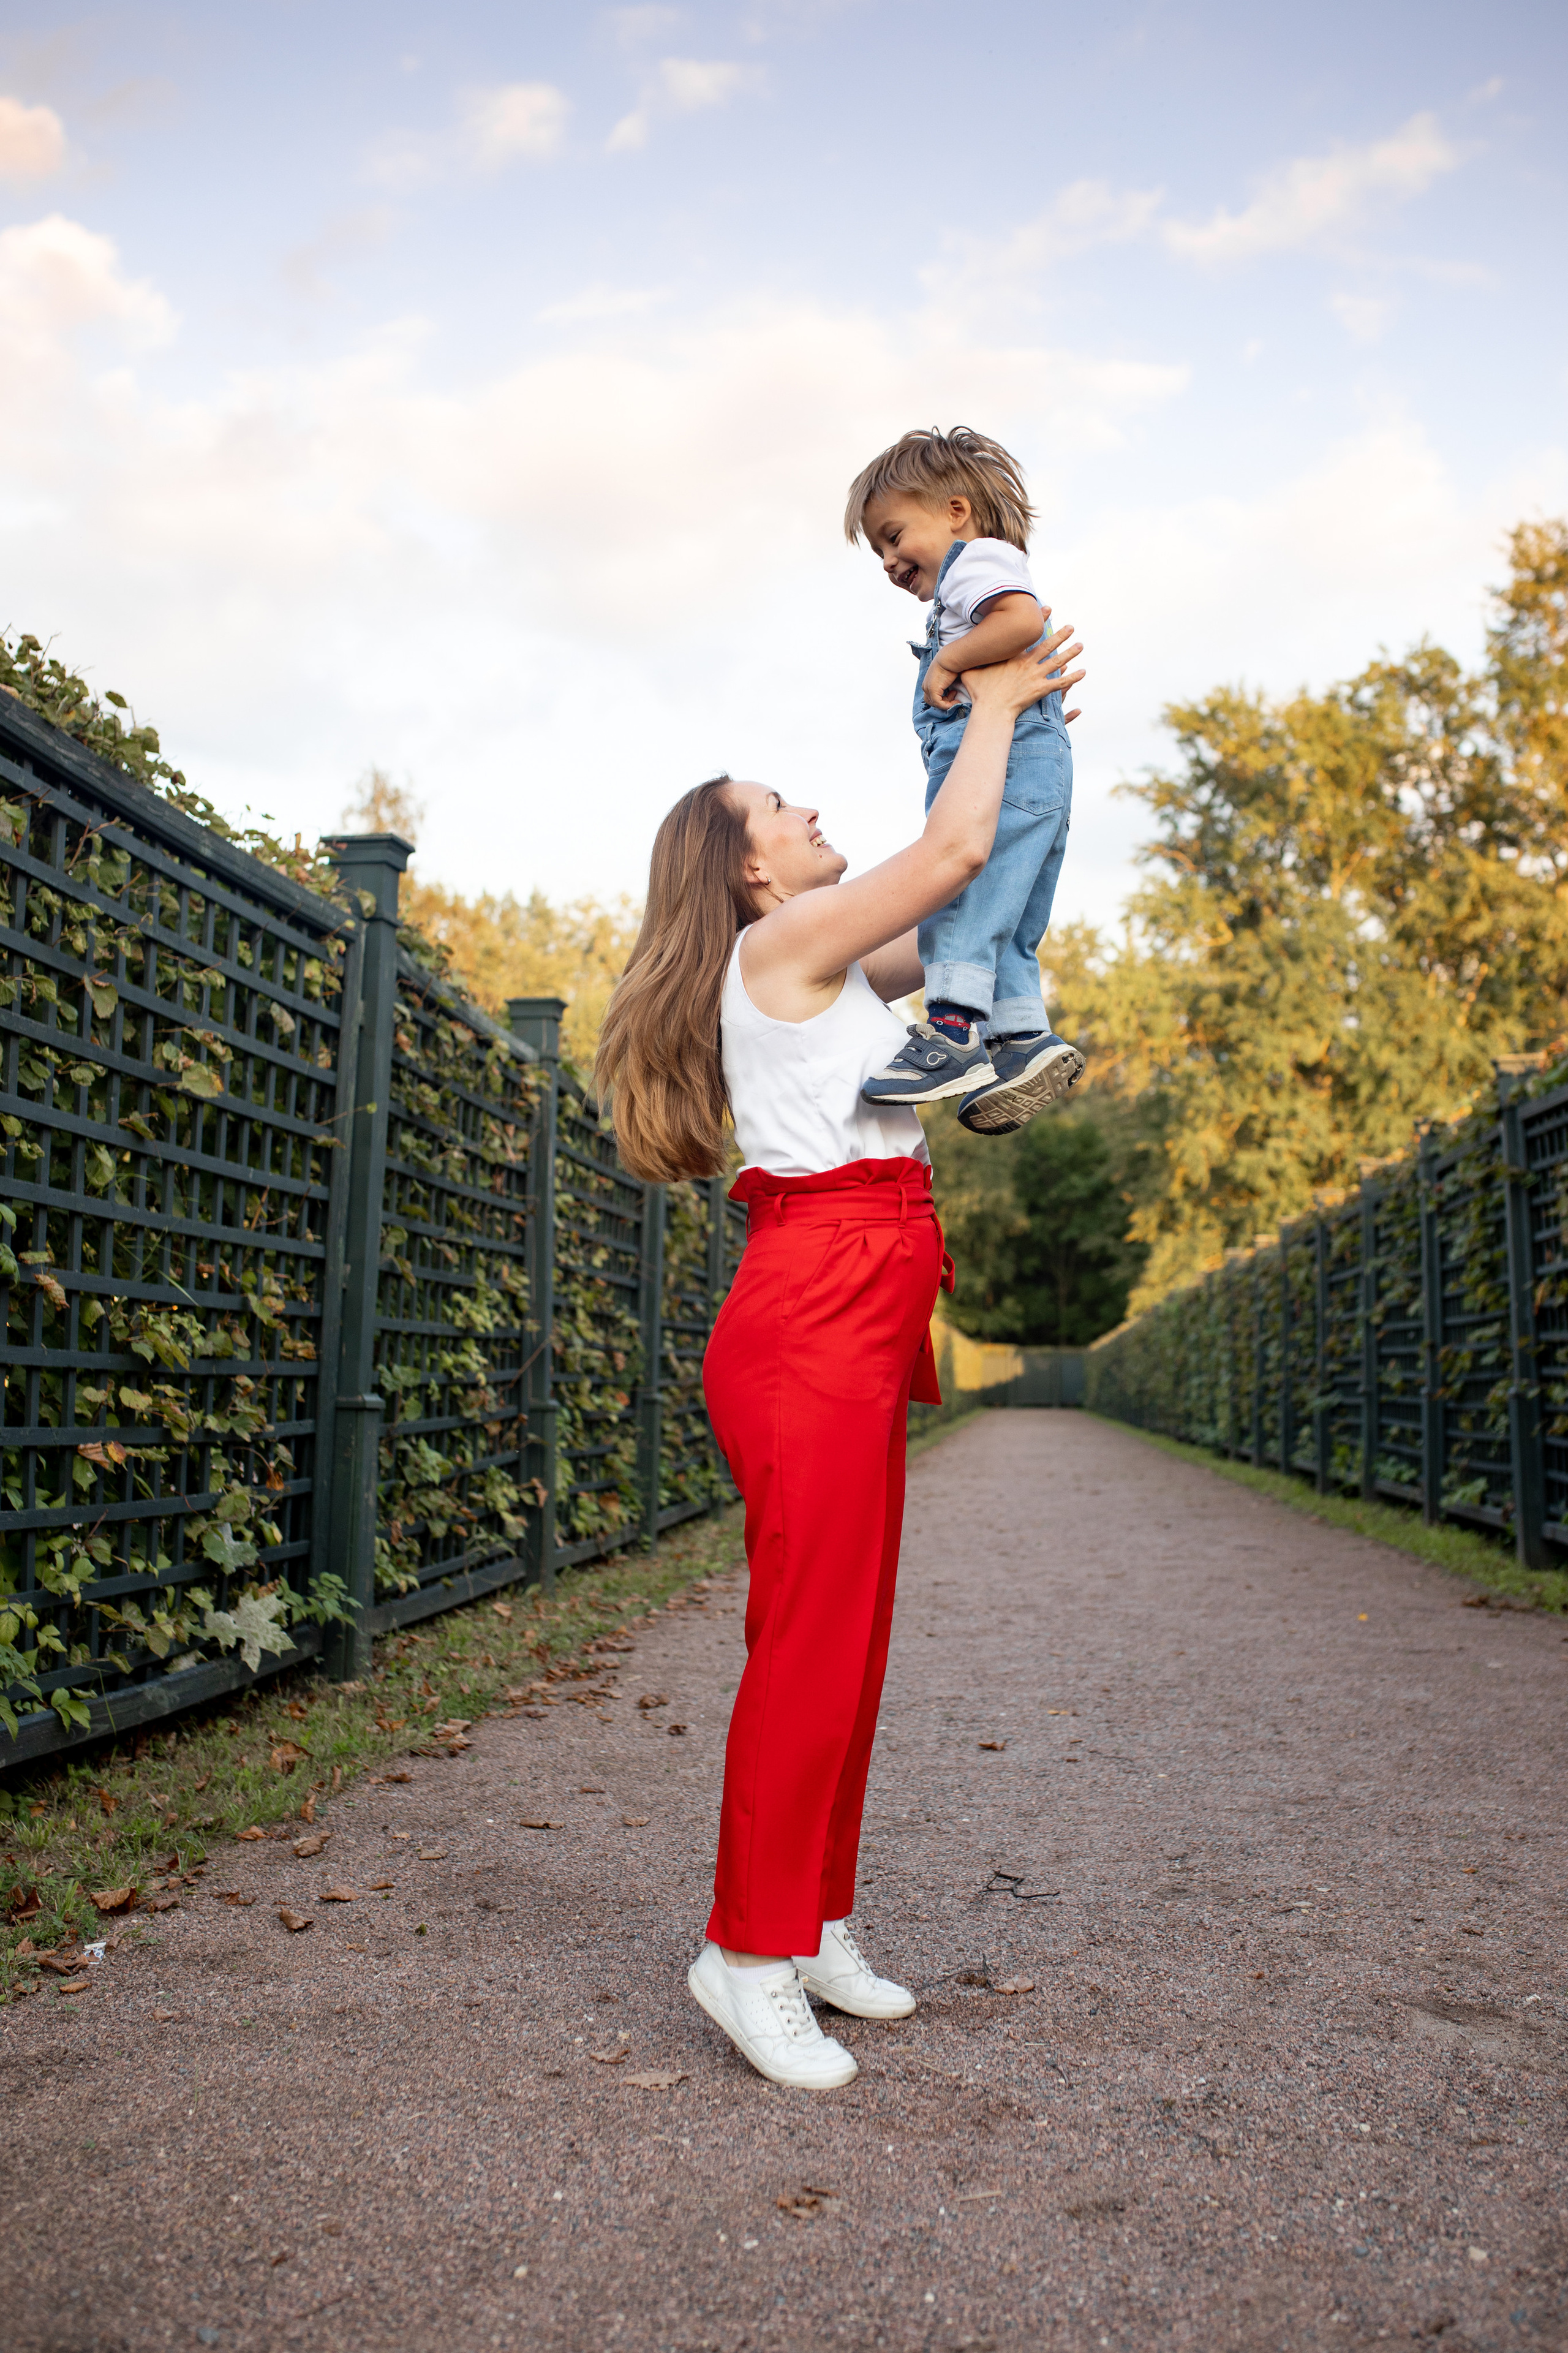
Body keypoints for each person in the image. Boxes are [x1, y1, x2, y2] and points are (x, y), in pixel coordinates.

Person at [595, 622, 1085, 2091]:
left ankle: (808, 1923)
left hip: (852, 1308)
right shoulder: (774, 942)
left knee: (849, 1647)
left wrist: (1030, 727)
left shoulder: (830, 965)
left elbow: (974, 893)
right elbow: (944, 849)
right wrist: (991, 694)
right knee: (806, 1648)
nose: (807, 812)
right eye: (779, 808)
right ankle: (742, 1957)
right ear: (748, 869)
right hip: (808, 1315)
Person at [843, 425, 1085, 1136]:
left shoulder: (976, 562)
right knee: (1006, 914)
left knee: (962, 894)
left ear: (955, 511)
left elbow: (1016, 620)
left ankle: (951, 1033)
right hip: (1028, 757)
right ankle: (1021, 1039)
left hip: (1007, 763)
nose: (889, 560)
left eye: (894, 535)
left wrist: (948, 665)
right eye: (878, 550)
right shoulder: (965, 578)